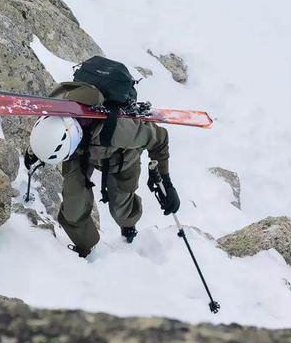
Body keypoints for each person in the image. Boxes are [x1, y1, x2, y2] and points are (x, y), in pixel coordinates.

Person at [24, 65, 180, 258]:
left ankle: (128, 225)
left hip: (121, 156)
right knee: (73, 208)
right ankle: (86, 246)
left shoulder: (121, 131)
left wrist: (166, 181)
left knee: (121, 210)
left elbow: (160, 138)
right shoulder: (54, 109)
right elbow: (48, 135)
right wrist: (36, 151)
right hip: (80, 153)